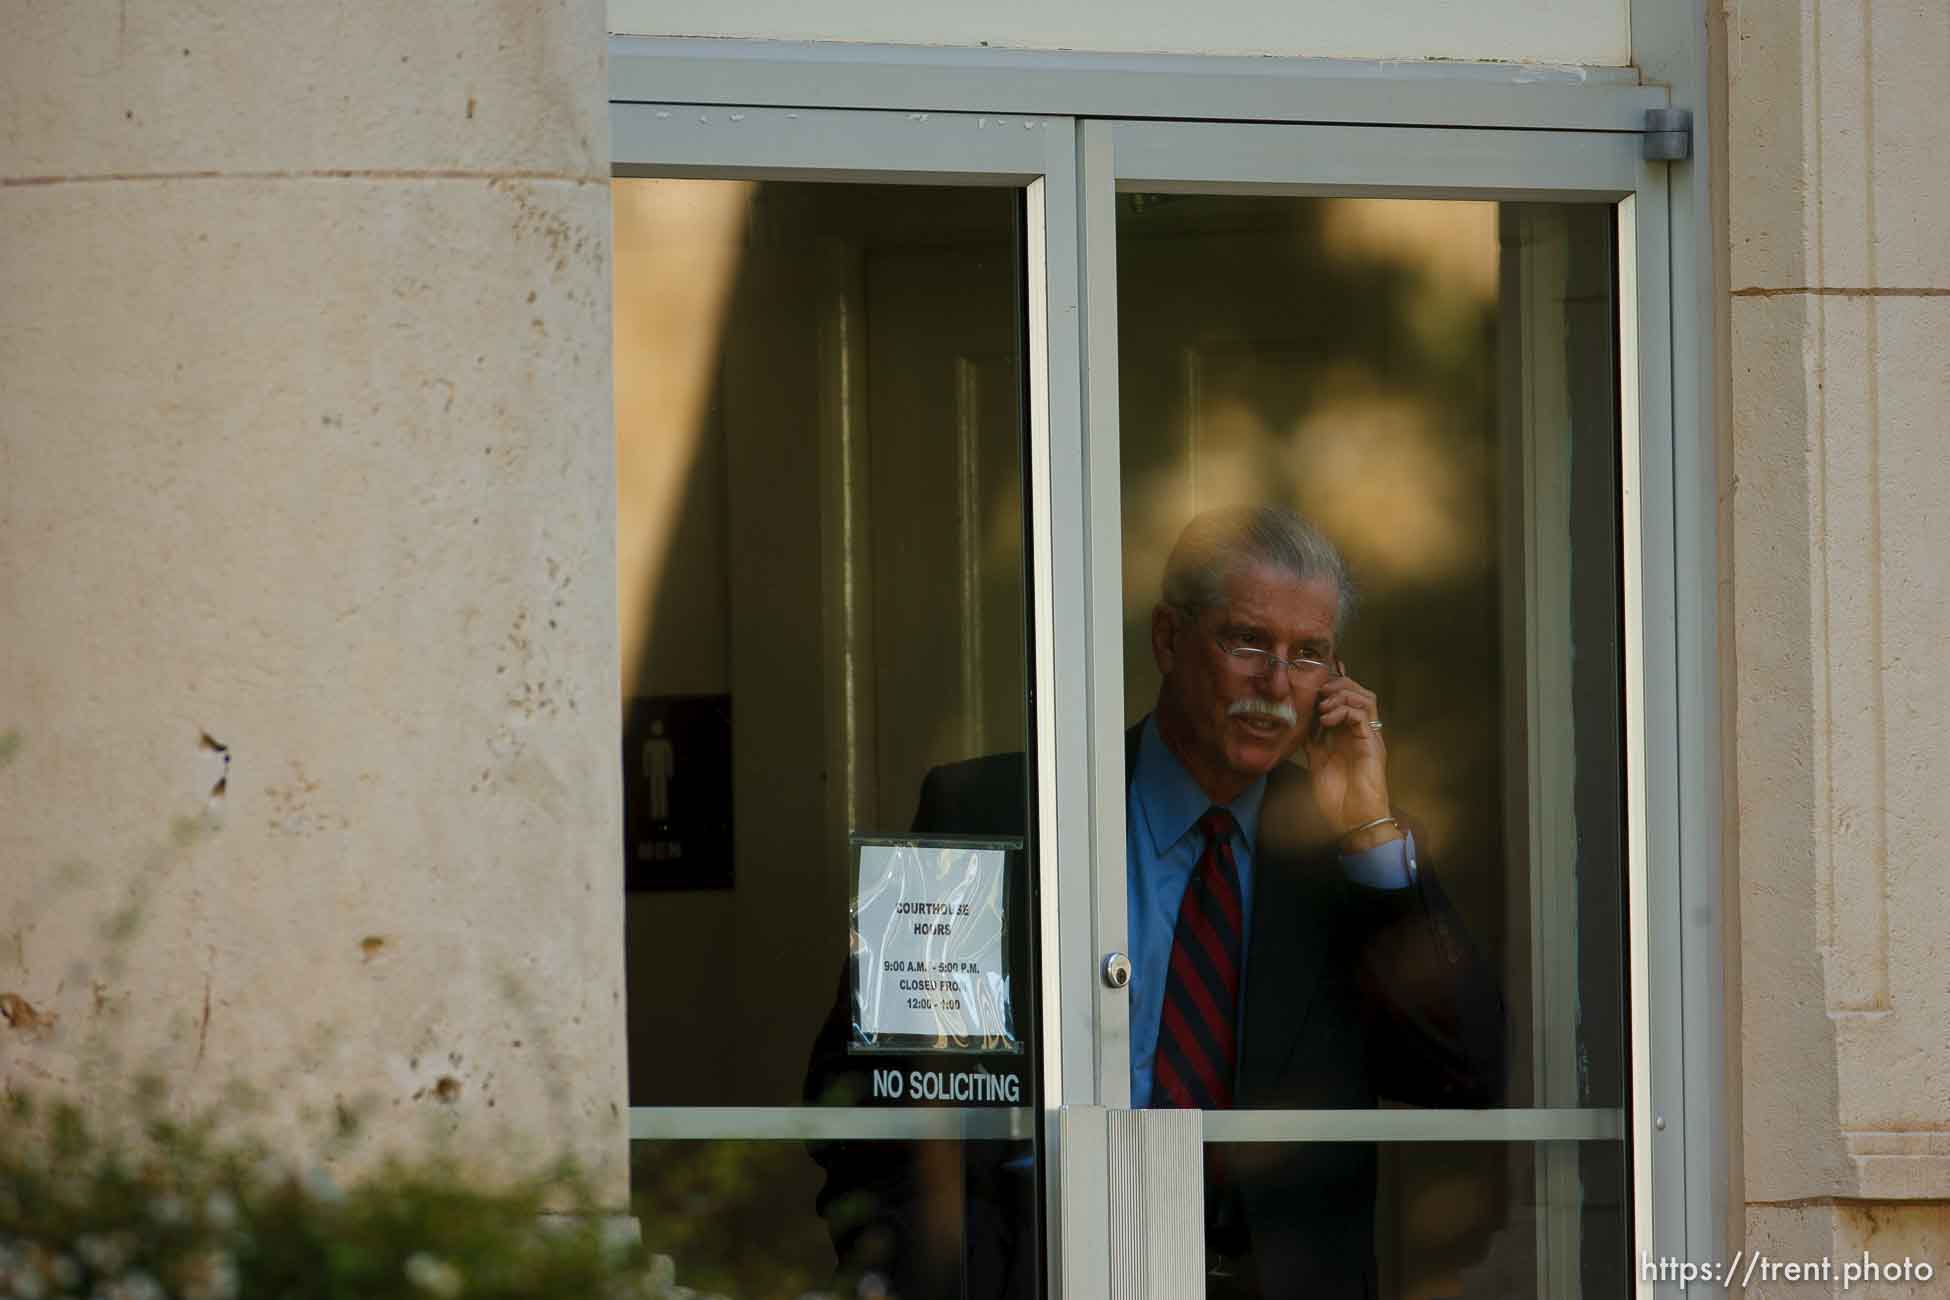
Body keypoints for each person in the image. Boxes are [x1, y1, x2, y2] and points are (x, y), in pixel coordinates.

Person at [807, 505, 1504, 1299]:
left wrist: (1374, 834)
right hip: (1038, 1267)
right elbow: (874, 1097)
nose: (1276, 685)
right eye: (1247, 642)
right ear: (1169, 639)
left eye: (1308, 656)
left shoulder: (1341, 853)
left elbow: (1469, 1076)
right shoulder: (988, 810)